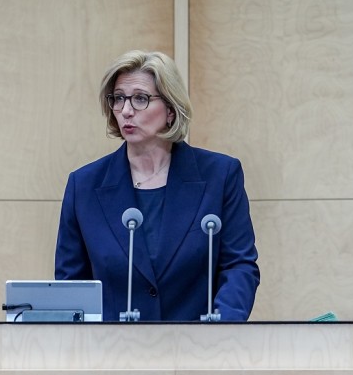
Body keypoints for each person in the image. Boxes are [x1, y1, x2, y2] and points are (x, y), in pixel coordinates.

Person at [55, 50, 260, 322]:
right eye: (118, 98)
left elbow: (239, 266)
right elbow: (71, 284)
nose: (126, 110)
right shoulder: (84, 186)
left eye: (140, 98)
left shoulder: (220, 176)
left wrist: (222, 328)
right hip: (112, 355)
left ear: (171, 110)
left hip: (198, 351)